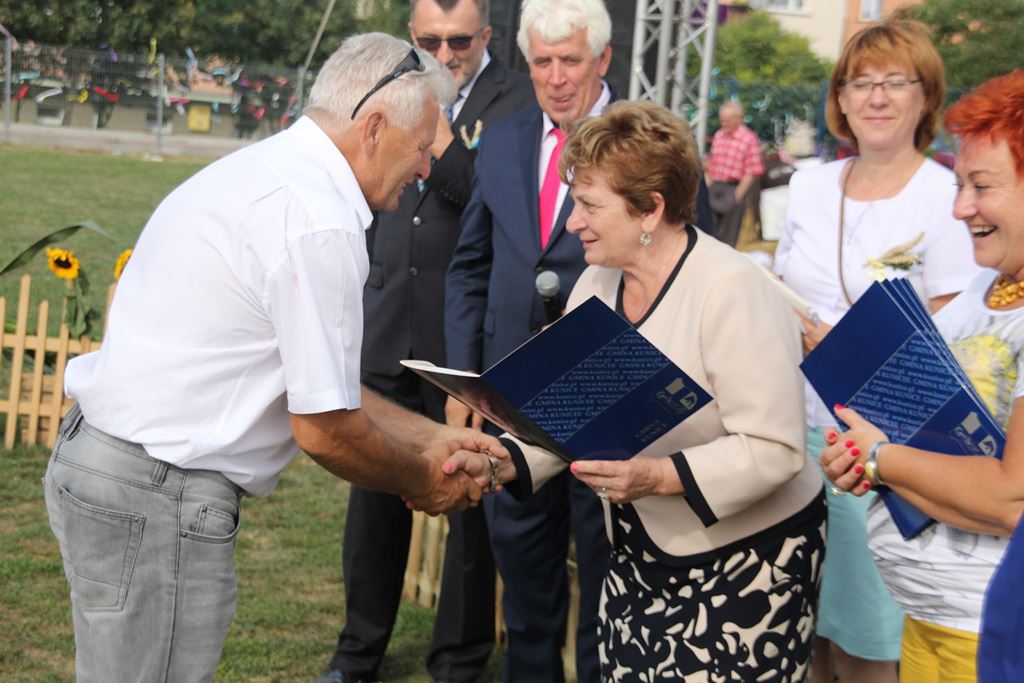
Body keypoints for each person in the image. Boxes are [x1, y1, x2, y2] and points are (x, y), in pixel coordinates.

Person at [41, 33, 508, 683]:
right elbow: (325, 429)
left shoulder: (271, 172)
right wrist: (422, 478)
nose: (429, 168)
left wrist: (433, 436)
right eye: (424, 144)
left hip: (114, 471)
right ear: (374, 127)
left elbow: (314, 385)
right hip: (157, 497)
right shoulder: (319, 220)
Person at [442, 99, 826, 680]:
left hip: (752, 562)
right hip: (640, 553)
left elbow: (775, 449)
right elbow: (573, 416)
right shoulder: (596, 282)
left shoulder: (733, 289)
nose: (573, 223)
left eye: (591, 205)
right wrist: (502, 462)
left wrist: (657, 477)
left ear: (650, 210)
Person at [314, 2, 535, 683]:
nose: (446, 51)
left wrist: (438, 143)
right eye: (430, 39)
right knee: (373, 505)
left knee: (468, 500)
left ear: (488, 37)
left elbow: (491, 199)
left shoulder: (516, 99)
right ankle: (358, 653)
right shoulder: (387, 80)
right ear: (412, 36)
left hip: (458, 335)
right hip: (386, 317)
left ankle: (458, 662)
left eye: (460, 39)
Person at [772, 15, 983, 683]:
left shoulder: (946, 197)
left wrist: (848, 350)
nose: (878, 97)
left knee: (868, 641)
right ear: (839, 98)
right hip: (797, 437)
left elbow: (951, 346)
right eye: (860, 82)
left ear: (927, 97)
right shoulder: (807, 185)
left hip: (884, 453)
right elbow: (780, 288)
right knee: (802, 634)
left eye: (897, 81)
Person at [819, 69, 1024, 682]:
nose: (960, 207)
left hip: (996, 628)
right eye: (959, 184)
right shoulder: (981, 290)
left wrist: (883, 459)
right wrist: (859, 457)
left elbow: (1013, 498)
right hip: (928, 616)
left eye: (981, 186)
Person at [443, 1, 614, 680]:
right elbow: (471, 267)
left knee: (608, 584)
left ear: (602, 60)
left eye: (570, 60)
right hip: (513, 400)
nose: (556, 77)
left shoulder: (642, 142)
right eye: (541, 62)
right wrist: (464, 379)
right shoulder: (507, 138)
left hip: (606, 398)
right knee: (526, 590)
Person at [705, 100, 764, 247]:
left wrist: (738, 195)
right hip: (715, 186)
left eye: (728, 120)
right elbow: (713, 161)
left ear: (739, 118)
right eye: (722, 120)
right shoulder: (719, 135)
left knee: (728, 236)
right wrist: (708, 183)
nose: (724, 123)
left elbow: (753, 170)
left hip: (733, 188)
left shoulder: (749, 139)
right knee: (708, 232)